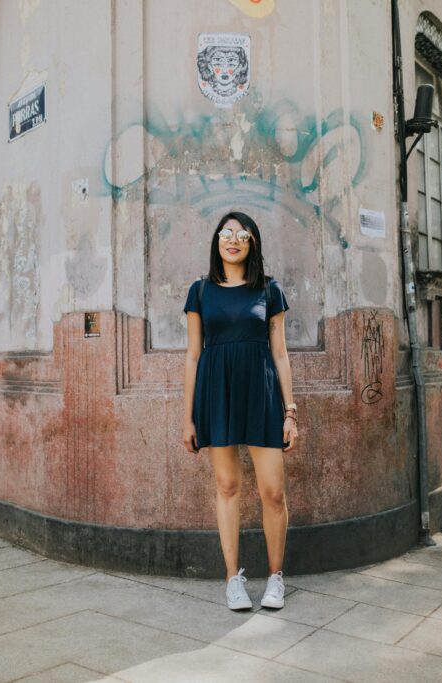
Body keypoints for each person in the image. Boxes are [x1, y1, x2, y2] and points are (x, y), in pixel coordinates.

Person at [181, 211, 299, 611]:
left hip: (261, 394)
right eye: (227, 233)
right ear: (217, 240)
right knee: (228, 487)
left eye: (242, 235)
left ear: (252, 244)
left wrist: (290, 411)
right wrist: (188, 417)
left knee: (273, 492)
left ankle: (276, 578)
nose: (233, 240)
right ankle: (232, 580)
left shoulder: (269, 290)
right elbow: (193, 356)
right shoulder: (200, 291)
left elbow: (280, 354)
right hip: (216, 394)